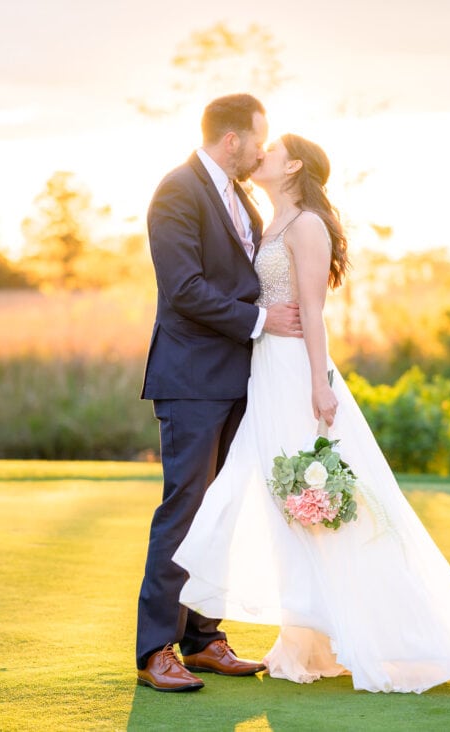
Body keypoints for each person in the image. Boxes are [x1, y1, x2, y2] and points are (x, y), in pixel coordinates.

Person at [173, 133, 450, 693]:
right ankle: (305, 639)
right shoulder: (267, 221)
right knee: (283, 501)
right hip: (263, 371)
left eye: (271, 150)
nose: (261, 156)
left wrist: (320, 384)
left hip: (296, 373)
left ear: (294, 164)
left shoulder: (306, 225)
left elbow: (313, 310)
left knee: (322, 500)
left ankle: (390, 638)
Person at [136, 94, 303, 692]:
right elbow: (184, 289)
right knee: (184, 508)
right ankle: (156, 649)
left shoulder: (242, 198)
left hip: (240, 379)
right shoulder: (177, 190)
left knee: (221, 512)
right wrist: (262, 323)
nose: (263, 151)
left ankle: (204, 639)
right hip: (190, 381)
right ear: (232, 140)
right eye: (259, 140)